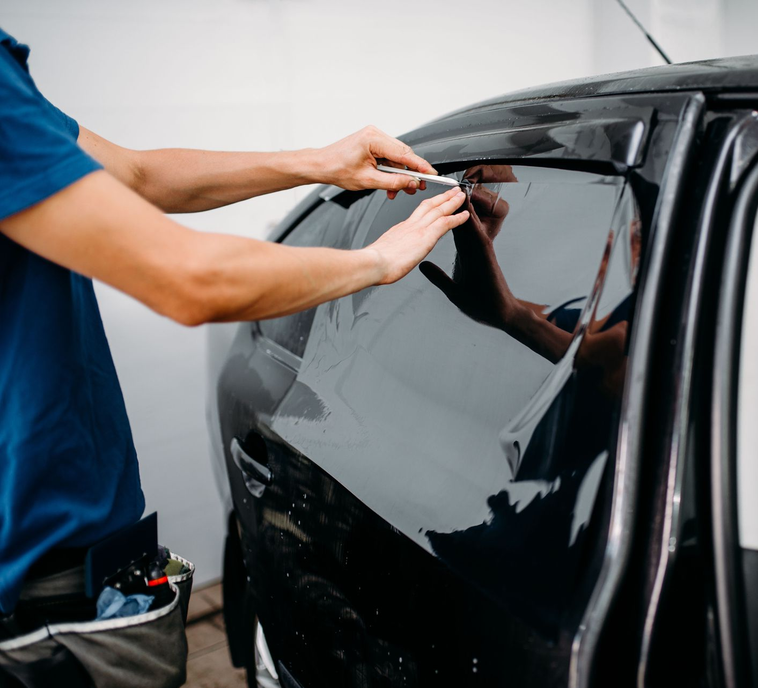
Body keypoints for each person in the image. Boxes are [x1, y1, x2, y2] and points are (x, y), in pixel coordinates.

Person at [0, 24, 467, 686]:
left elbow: (132, 174)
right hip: (36, 603)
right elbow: (190, 280)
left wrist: (320, 161)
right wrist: (375, 261)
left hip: (69, 567)